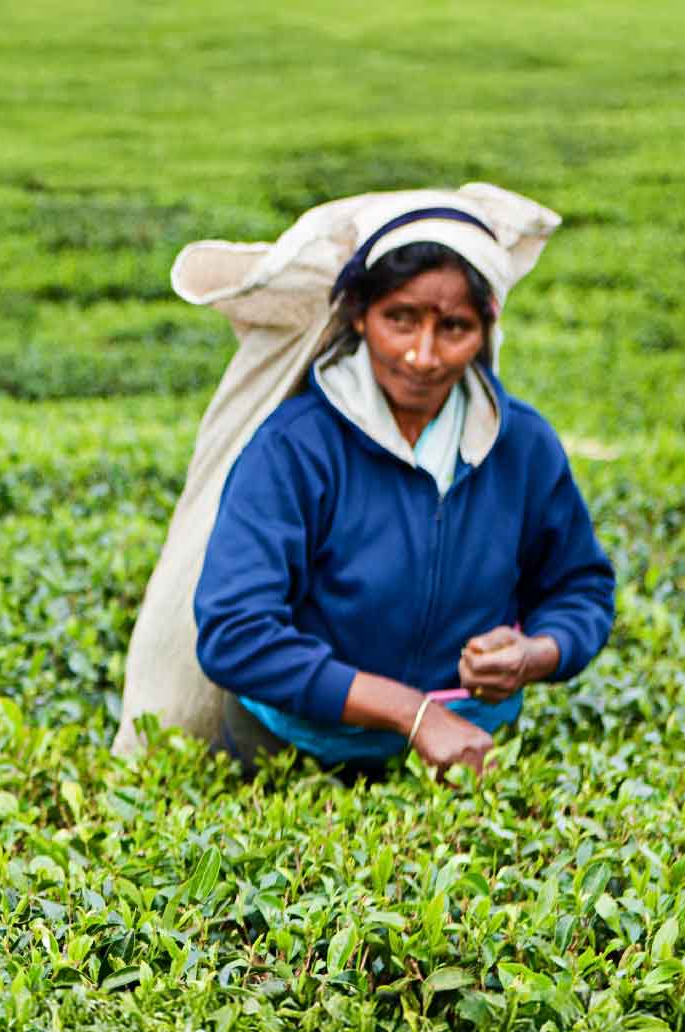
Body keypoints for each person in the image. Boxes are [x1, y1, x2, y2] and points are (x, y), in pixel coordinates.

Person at [193, 206, 615, 777]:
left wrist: (536, 654)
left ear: (486, 326)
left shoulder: (521, 446)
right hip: (292, 753)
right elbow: (235, 632)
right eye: (401, 319)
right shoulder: (295, 448)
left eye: (454, 328)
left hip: (468, 752)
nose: (423, 355)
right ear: (361, 316)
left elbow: (580, 587)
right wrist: (412, 714)